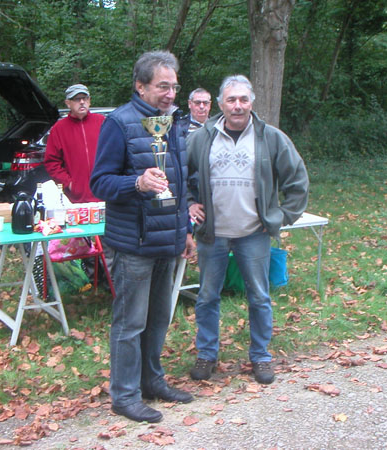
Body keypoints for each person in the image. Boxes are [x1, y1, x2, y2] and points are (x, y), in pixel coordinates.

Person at [90, 50, 196, 424]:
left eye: (174, 86)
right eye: (163, 86)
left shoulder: (175, 122)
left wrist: (185, 229)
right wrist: (136, 183)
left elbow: (180, 183)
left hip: (167, 239)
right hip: (133, 242)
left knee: (157, 320)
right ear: (140, 86)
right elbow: (99, 182)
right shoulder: (118, 123)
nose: (171, 94)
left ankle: (153, 382)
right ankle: (124, 395)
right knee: (130, 322)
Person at [187, 75, 309, 385]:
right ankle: (206, 355)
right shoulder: (202, 137)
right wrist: (188, 203)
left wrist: (280, 216)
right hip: (212, 233)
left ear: (251, 102)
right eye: (231, 100)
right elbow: (179, 173)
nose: (237, 105)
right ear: (220, 104)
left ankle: (261, 356)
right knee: (206, 297)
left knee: (259, 296)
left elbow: (297, 180)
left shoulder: (271, 138)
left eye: (243, 99)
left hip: (254, 232)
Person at [44, 83, 106, 203]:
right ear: (68, 103)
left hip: (104, 195)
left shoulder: (102, 122)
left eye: (85, 98)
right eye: (77, 99)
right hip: (75, 199)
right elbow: (52, 162)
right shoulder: (59, 129)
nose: (82, 102)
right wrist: (69, 183)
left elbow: (114, 154)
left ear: (89, 101)